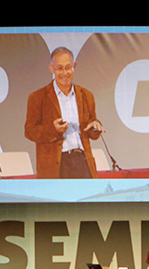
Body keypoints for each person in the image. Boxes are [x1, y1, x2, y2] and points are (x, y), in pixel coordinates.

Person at [24, 47, 104, 179]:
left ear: (74, 66)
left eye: (68, 67)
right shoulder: (38, 97)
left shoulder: (86, 95)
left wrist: (95, 126)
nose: (64, 73)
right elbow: (30, 131)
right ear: (52, 69)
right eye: (59, 68)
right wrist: (53, 130)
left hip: (83, 162)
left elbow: (91, 129)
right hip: (55, 165)